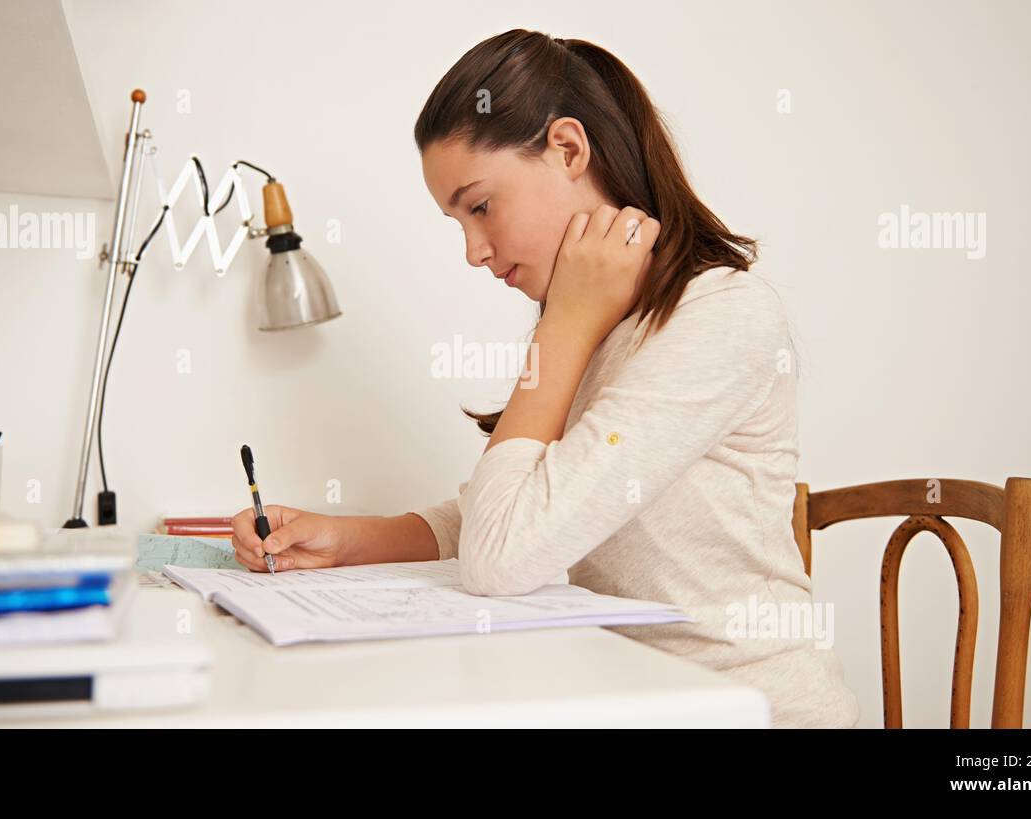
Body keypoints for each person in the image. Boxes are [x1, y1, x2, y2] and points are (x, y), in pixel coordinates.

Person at [232, 29, 859, 728]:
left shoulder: (722, 316)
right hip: (630, 693)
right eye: (456, 222)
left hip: (752, 709)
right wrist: (347, 541)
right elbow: (509, 510)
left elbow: (502, 552)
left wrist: (564, 324)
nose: (473, 251)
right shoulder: (596, 320)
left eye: (479, 206)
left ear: (568, 148)